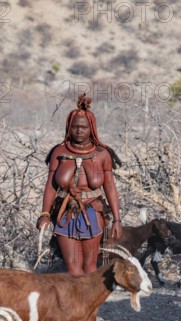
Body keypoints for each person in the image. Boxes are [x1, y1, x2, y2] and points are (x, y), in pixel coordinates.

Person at [36, 94, 122, 275]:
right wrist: (44, 213)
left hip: (93, 213)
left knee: (90, 266)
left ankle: (91, 304)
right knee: (72, 267)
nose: (79, 131)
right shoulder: (59, 152)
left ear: (92, 128)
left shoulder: (102, 154)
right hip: (65, 213)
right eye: (75, 127)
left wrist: (117, 220)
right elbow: (51, 185)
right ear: (69, 127)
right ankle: (74, 303)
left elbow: (110, 187)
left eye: (83, 127)